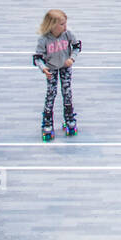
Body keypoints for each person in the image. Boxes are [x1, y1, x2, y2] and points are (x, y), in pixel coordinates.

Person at [33, 9, 82, 141]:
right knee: (51, 94)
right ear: (52, 25)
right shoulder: (44, 39)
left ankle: (69, 118)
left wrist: (72, 59)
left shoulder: (68, 34)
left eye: (65, 23)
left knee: (67, 93)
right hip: (52, 69)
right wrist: (43, 68)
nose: (65, 26)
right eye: (62, 24)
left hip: (65, 67)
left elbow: (77, 46)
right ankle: (47, 121)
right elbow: (37, 58)